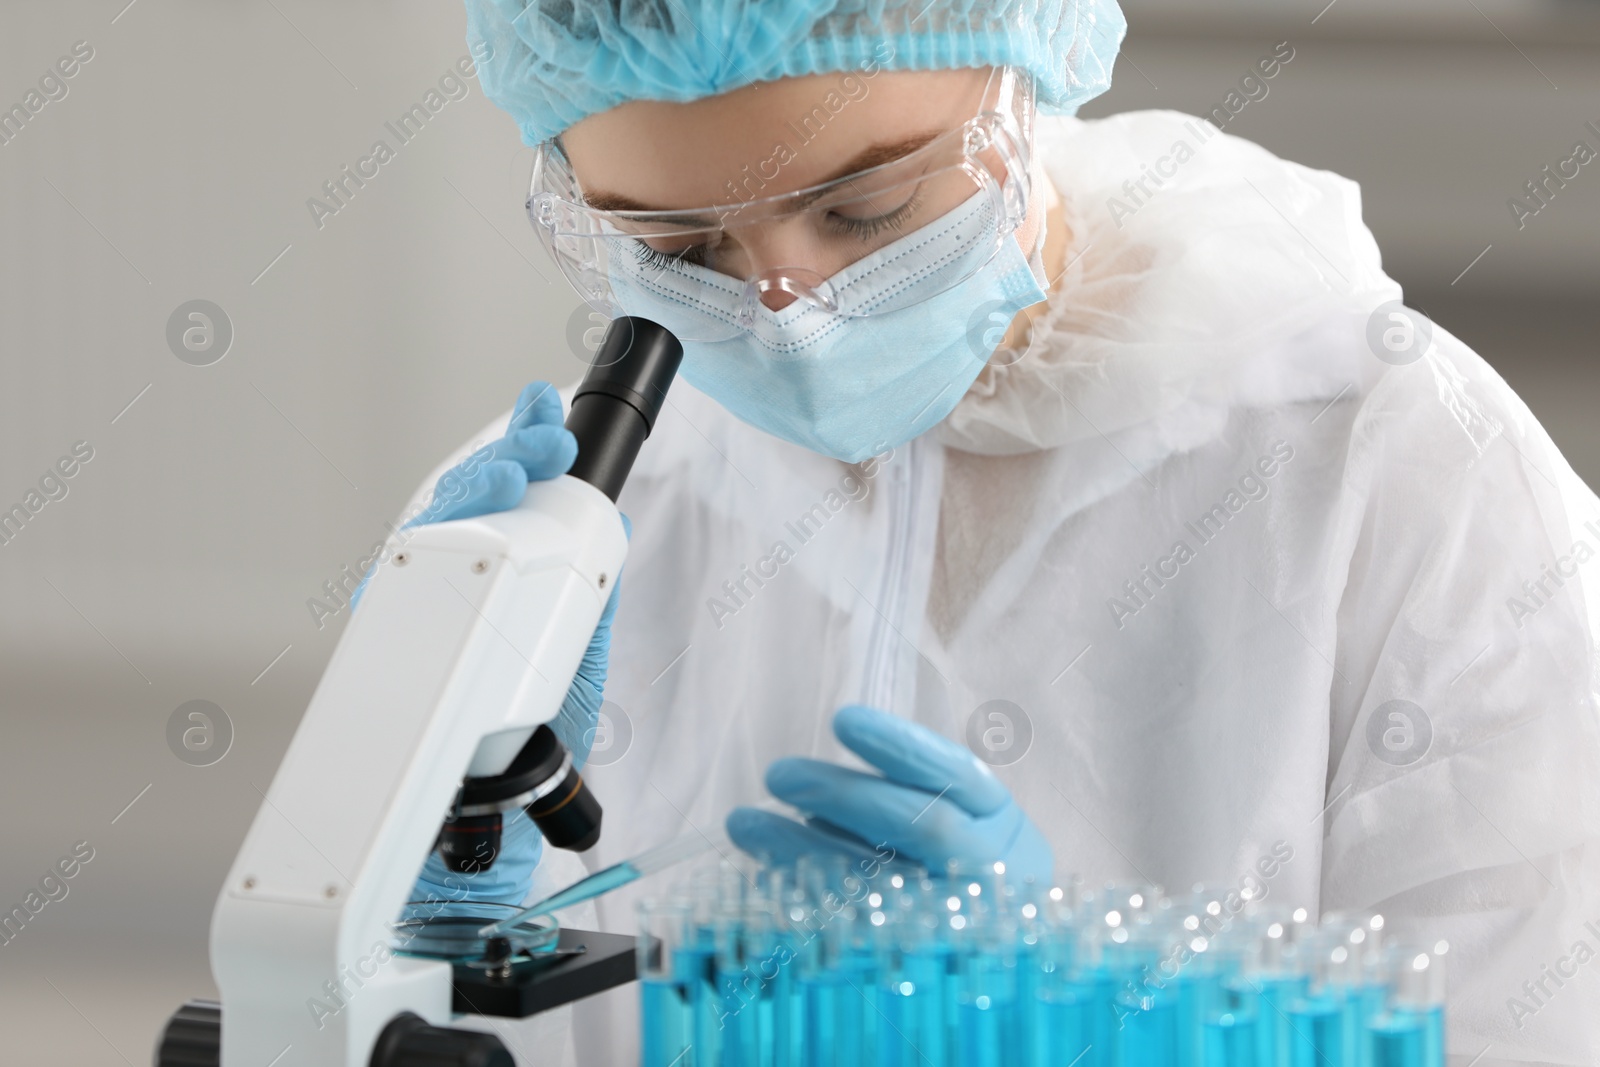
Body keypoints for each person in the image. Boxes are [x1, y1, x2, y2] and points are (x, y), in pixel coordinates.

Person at [390, 1, 1600, 1062]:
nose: (790, 317)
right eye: (681, 248)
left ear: (1017, 90)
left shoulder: (1403, 476)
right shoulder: (551, 524)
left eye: (863, 211)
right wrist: (405, 911)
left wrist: (1087, 1024)